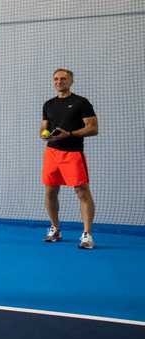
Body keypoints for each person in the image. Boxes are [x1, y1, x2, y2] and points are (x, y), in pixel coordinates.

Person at [40, 68, 98, 249]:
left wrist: (70, 134)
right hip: (52, 153)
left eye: (63, 79)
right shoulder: (48, 104)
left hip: (73, 153)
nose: (59, 82)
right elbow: (43, 127)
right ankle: (55, 229)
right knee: (50, 192)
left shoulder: (81, 102)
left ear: (71, 81)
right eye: (56, 79)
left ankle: (87, 235)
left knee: (82, 192)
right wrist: (44, 135)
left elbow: (93, 128)